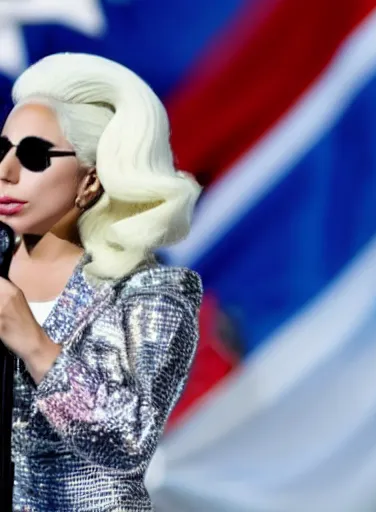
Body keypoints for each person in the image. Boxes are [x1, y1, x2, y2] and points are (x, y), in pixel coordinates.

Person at [0, 52, 202, 511]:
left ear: (90, 181)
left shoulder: (150, 295)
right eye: (1, 149)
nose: (5, 172)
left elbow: (129, 440)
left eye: (33, 155)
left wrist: (33, 343)